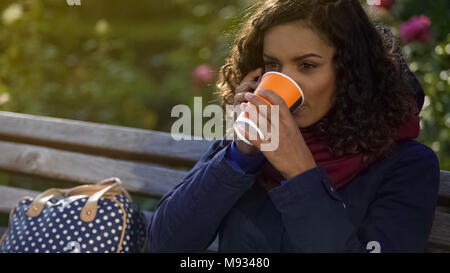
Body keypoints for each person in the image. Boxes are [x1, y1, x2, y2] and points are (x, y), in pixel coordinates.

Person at [148, 0, 440, 253]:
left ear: (350, 73)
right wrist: (240, 154)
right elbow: (165, 244)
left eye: (307, 66)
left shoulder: (407, 166)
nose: (282, 83)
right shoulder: (251, 146)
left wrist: (301, 173)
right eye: (273, 66)